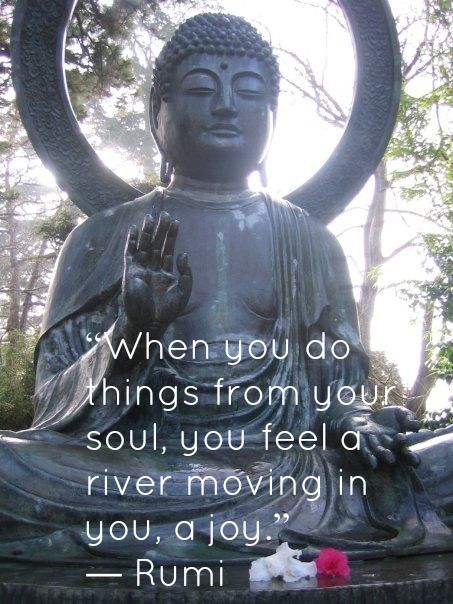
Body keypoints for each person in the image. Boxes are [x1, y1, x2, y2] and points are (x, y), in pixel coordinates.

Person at [0, 13, 450, 564]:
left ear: (273, 114)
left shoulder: (311, 242)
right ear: (156, 111)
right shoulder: (102, 236)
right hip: (141, 468)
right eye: (200, 89)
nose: (226, 106)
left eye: (249, 91)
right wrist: (133, 330)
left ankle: (192, 532)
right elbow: (51, 409)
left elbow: (336, 389)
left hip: (292, 470)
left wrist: (354, 422)